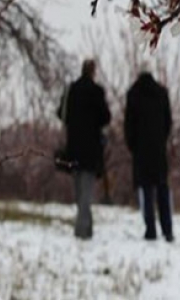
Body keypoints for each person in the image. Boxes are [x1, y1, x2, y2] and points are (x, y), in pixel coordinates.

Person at [58, 59, 111, 239]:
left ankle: (86, 229)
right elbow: (106, 117)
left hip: (73, 146)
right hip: (91, 149)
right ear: (93, 72)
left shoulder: (71, 90)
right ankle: (82, 231)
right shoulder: (97, 92)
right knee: (86, 194)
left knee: (79, 191)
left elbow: (61, 114)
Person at [124, 72, 173, 242]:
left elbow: (128, 124)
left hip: (141, 150)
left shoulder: (133, 95)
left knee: (146, 191)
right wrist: (161, 140)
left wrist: (132, 145)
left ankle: (150, 228)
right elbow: (168, 122)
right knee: (162, 189)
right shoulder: (161, 93)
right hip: (158, 149)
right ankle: (168, 230)